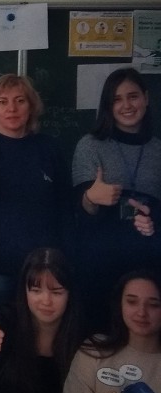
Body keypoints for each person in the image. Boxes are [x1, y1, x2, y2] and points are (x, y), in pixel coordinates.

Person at [0, 74, 70, 313]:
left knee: (43, 331)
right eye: (3, 101)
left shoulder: (49, 148)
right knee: (1, 330)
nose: (12, 108)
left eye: (20, 100)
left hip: (44, 264)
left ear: (31, 106)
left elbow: (65, 204)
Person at [71, 67, 161, 335]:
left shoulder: (158, 150)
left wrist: (154, 220)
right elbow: (79, 214)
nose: (126, 106)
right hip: (100, 265)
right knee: (99, 338)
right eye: (117, 99)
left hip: (147, 266)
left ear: (146, 98)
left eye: (133, 96)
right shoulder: (90, 146)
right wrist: (91, 197)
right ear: (108, 106)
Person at [0, 247, 84, 393]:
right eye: (36, 291)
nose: (46, 301)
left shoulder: (83, 333)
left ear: (69, 294)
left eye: (56, 292)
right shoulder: (7, 320)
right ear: (24, 291)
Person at [60, 270, 161, 393]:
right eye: (132, 302)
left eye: (153, 305)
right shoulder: (94, 351)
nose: (141, 312)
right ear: (119, 304)